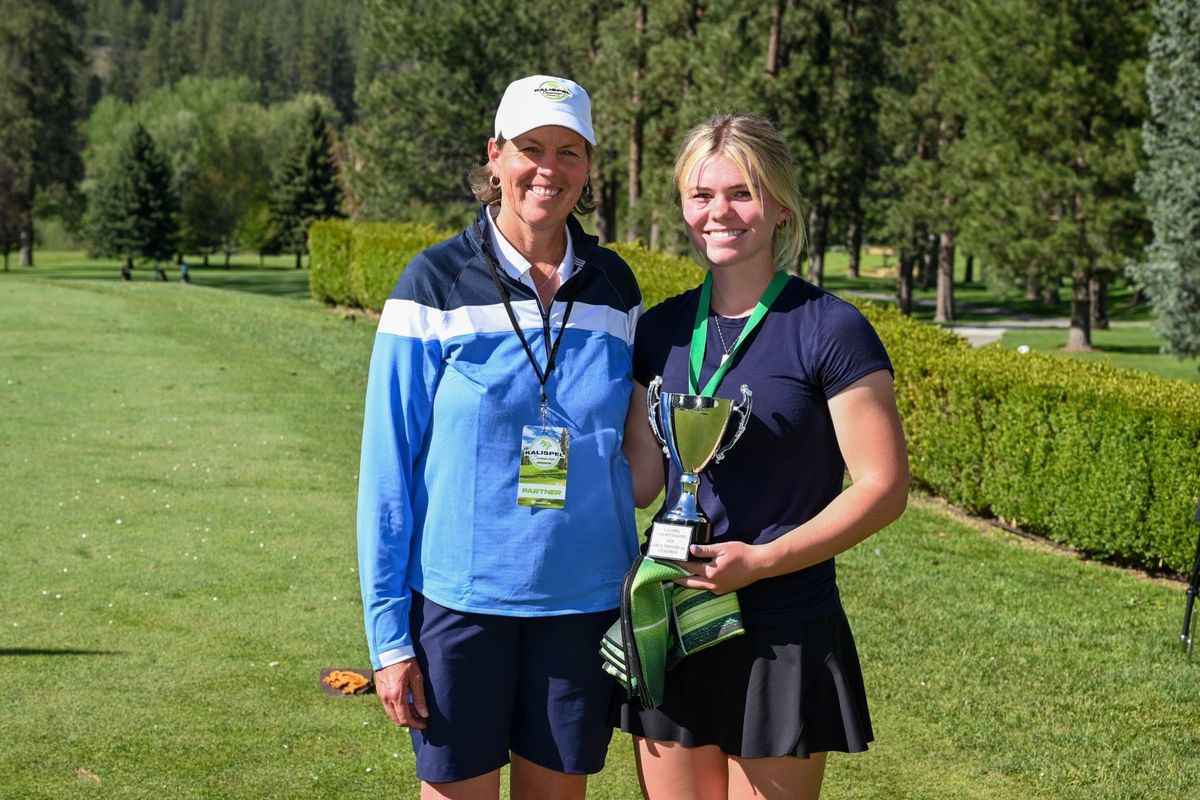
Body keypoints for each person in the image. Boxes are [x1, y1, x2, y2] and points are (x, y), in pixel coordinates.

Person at [357, 74, 642, 800]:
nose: (549, 170)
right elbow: (387, 475)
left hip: (580, 607)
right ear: (496, 155)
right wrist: (390, 641)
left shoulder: (616, 289)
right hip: (459, 607)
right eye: (531, 148)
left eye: (569, 152)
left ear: (588, 165)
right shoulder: (432, 285)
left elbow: (633, 455)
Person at [618, 114, 910, 800]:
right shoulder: (658, 330)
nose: (719, 212)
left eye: (741, 192)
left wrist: (764, 561)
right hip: (672, 613)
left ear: (780, 205)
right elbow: (640, 480)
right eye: (701, 194)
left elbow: (884, 487)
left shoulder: (830, 328)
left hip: (780, 626)